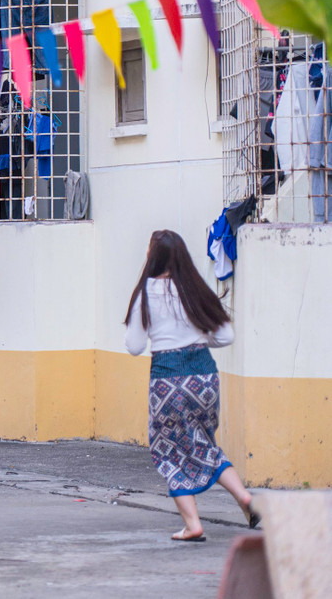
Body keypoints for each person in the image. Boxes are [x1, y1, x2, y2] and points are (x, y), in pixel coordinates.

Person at [124, 230, 259, 542]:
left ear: (152, 258)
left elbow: (133, 345)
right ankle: (244, 497)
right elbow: (225, 337)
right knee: (204, 443)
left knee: (169, 450)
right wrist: (197, 339)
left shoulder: (145, 292)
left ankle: (193, 524)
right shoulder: (195, 289)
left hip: (167, 380)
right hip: (204, 379)